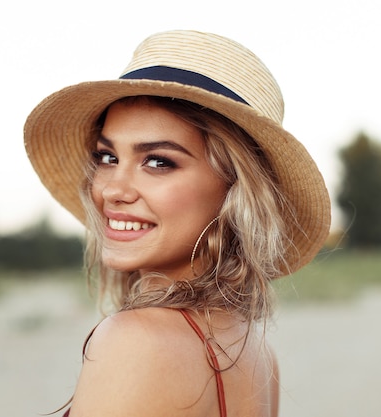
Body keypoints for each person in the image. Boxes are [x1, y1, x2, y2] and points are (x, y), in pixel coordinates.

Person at [24, 30, 330, 417]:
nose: (112, 190)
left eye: (158, 161)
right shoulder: (253, 350)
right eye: (106, 157)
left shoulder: (135, 342)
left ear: (235, 190)